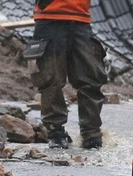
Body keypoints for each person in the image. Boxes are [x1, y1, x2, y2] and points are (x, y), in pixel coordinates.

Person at [26, 0, 107, 149]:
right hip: (50, 17)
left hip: (80, 18)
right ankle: (55, 131)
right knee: (50, 79)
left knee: (90, 78)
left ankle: (91, 134)